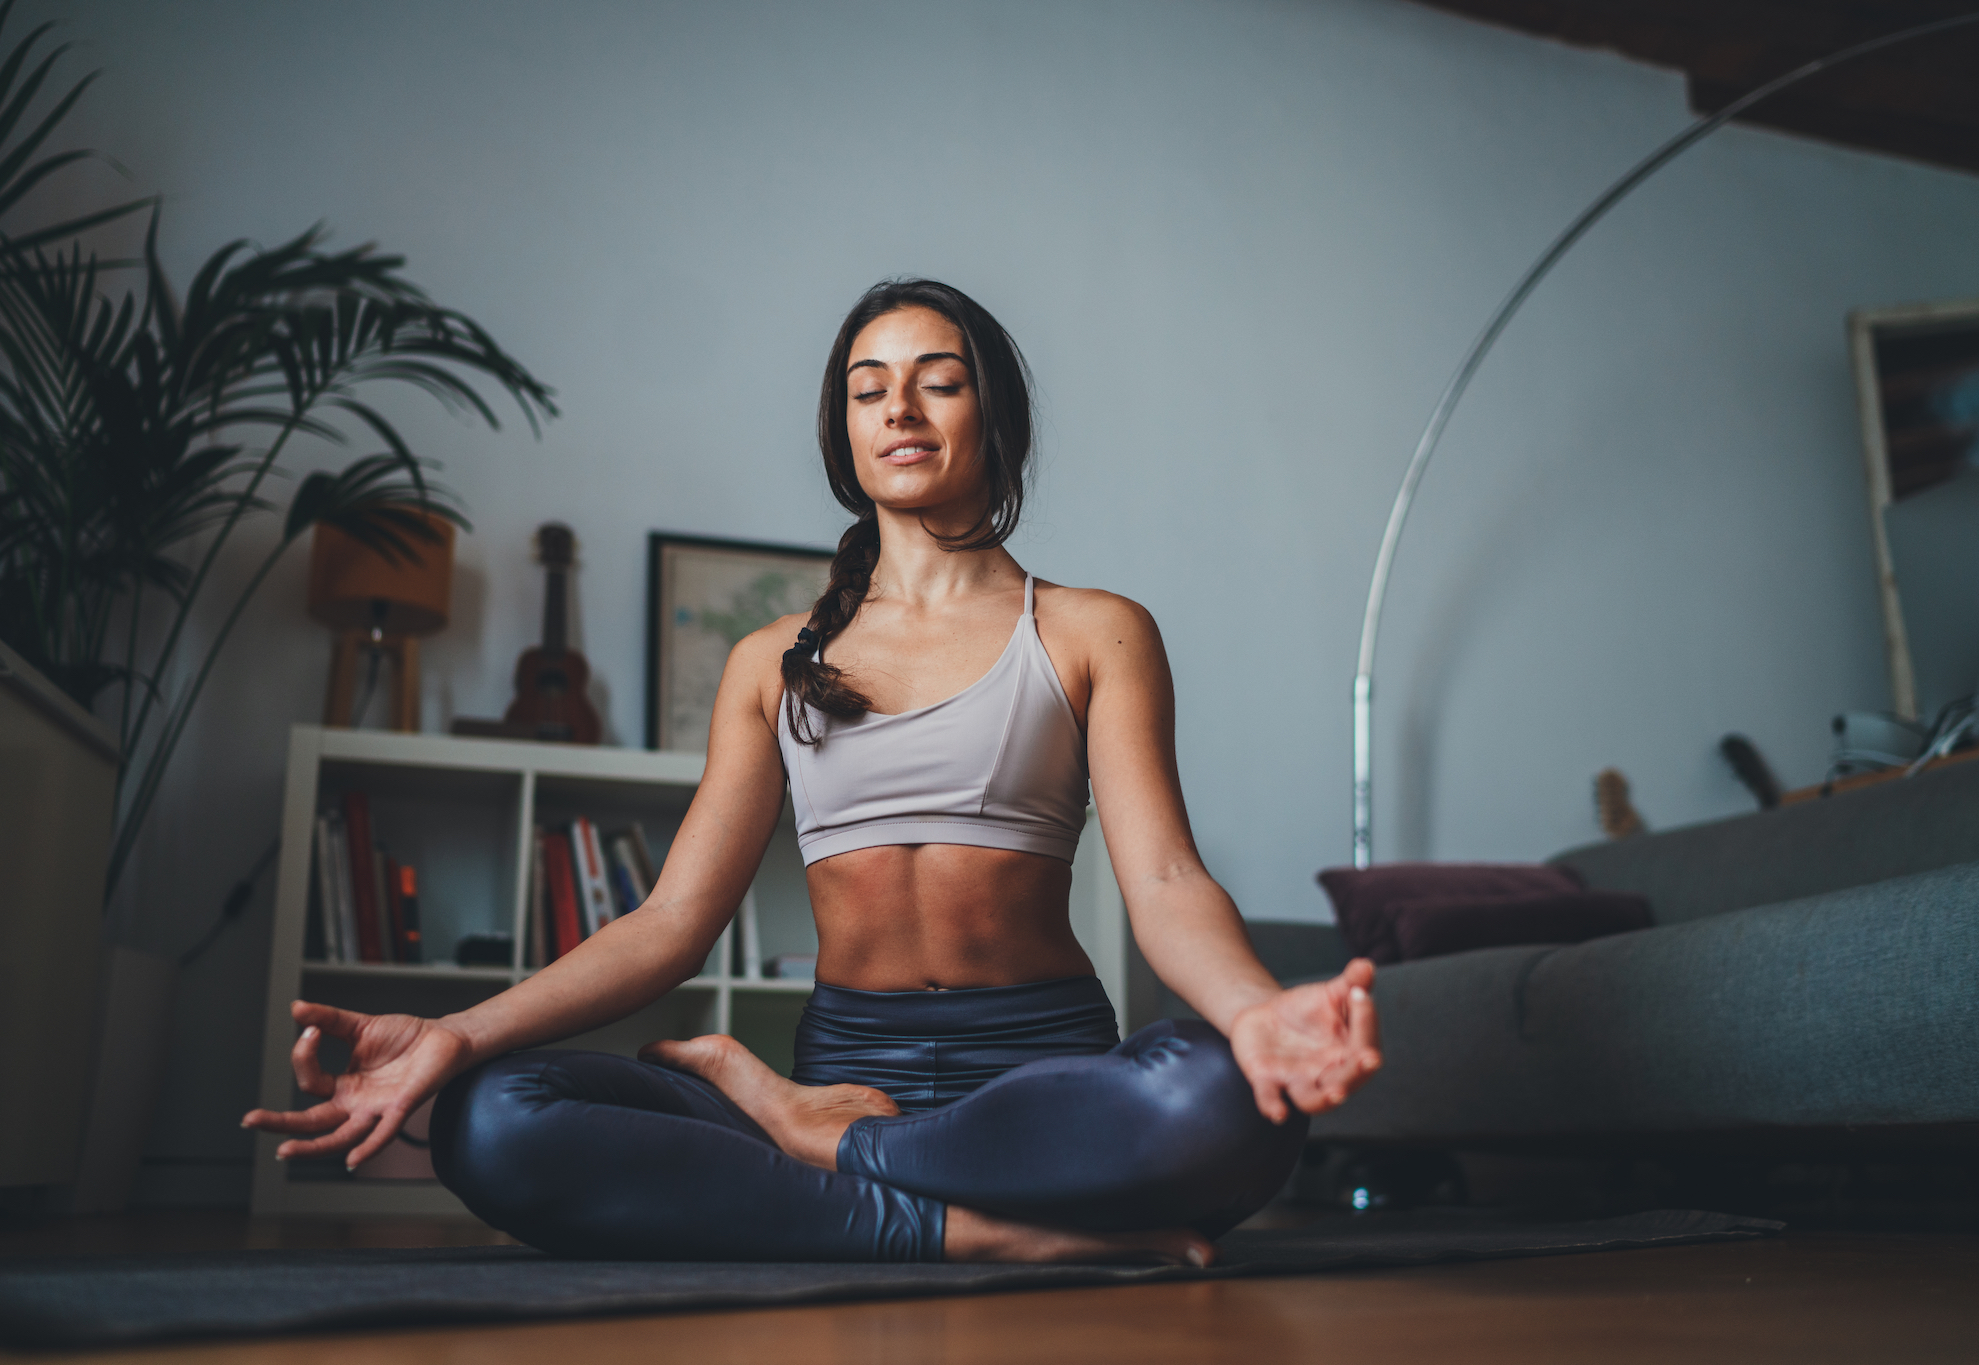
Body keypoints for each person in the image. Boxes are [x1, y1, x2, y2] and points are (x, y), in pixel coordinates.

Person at [243, 279, 1381, 1266]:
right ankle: (966, 1229)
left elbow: (1169, 884)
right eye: (865, 385)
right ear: (841, 429)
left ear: (996, 414)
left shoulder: (1092, 631)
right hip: (851, 1064)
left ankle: (824, 1152)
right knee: (491, 1118)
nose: (897, 405)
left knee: (1232, 1101)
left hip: (1036, 1084)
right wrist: (459, 1035)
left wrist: (1258, 1015)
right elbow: (669, 924)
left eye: (937, 380)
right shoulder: (770, 663)